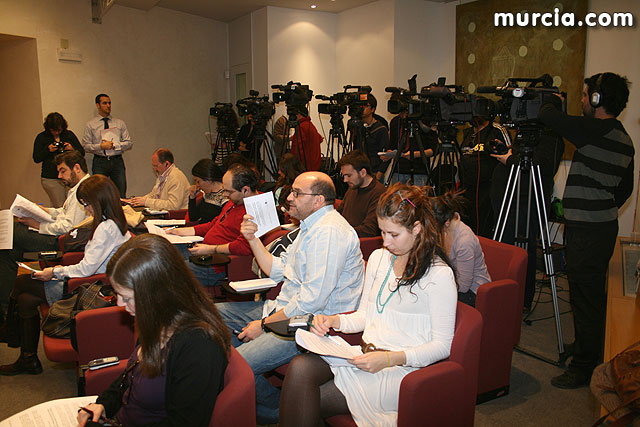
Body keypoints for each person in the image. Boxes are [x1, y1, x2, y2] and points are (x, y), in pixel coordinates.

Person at [279, 182, 457, 427]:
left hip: (399, 370)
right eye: (383, 232)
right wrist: (334, 321)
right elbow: (365, 315)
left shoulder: (439, 275)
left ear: (417, 228)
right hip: (364, 356)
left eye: (394, 234)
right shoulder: (379, 258)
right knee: (300, 368)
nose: (386, 242)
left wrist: (388, 359)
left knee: (305, 399)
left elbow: (442, 346)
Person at [218, 171, 364, 424]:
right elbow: (276, 269)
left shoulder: (329, 232)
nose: (290, 198)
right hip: (285, 310)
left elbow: (311, 302)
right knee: (212, 317)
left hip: (309, 324)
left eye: (297, 193)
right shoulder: (309, 228)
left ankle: (280, 409)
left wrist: (264, 326)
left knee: (235, 365)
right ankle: (255, 384)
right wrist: (252, 240)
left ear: (318, 200)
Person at [539, 72, 634, 389]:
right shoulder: (622, 138)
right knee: (587, 295)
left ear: (596, 99)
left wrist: (551, 98)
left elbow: (549, 117)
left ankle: (584, 366)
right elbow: (625, 190)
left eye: (584, 95)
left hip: (589, 232)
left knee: (586, 298)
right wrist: (598, 204)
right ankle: (587, 350)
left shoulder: (596, 130)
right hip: (598, 227)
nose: (581, 100)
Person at [77, 234, 231, 426]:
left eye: (126, 298)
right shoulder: (158, 318)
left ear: (158, 293)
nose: (120, 304)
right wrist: (104, 405)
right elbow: (130, 376)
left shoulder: (200, 346)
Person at [0, 175, 130, 375]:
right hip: (88, 282)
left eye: (86, 203)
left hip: (87, 288)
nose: (86, 208)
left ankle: (11, 332)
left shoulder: (106, 228)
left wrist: (54, 272)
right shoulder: (111, 221)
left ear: (98, 201)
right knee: (25, 298)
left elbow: (86, 270)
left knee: (21, 283)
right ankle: (27, 357)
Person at [0, 150, 89, 315]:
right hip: (60, 235)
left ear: (76, 168)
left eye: (63, 171)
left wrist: (37, 225)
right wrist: (42, 210)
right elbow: (63, 213)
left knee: (13, 231)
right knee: (9, 250)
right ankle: (7, 308)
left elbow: (67, 227)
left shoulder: (83, 190)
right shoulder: (78, 187)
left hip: (61, 240)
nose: (59, 176)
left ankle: (6, 307)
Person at [168, 164, 257, 287]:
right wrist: (182, 231)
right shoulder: (235, 201)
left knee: (168, 271)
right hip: (206, 250)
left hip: (219, 263)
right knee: (164, 250)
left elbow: (243, 246)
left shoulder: (255, 210)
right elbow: (214, 223)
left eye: (228, 191)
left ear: (245, 190)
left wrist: (210, 249)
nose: (224, 195)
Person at [431, 190, 491, 307]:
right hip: (453, 282)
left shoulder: (464, 241)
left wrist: (439, 286)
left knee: (434, 300)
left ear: (447, 222)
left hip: (473, 293)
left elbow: (463, 286)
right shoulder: (445, 229)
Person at [459, 113, 511, 237]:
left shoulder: (497, 130)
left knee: (484, 226)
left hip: (489, 187)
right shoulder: (468, 133)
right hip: (467, 187)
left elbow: (509, 154)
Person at [82, 93, 132, 197]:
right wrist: (100, 146)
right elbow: (85, 146)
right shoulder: (91, 124)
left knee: (120, 192)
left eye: (109, 103)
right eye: (105, 103)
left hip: (117, 160)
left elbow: (129, 143)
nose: (108, 106)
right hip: (100, 161)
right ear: (98, 105)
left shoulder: (119, 123)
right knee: (98, 192)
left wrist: (115, 145)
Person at [32, 112, 85, 207]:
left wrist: (71, 149)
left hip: (70, 176)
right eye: (54, 130)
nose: (57, 132)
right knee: (61, 205)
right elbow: (36, 158)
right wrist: (48, 150)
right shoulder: (42, 137)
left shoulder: (68, 135)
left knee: (74, 204)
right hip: (51, 178)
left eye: (59, 130)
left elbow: (81, 152)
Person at [380, 109, 437, 187]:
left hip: (419, 171)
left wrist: (415, 154)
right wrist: (388, 154)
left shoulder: (423, 122)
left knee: (418, 199)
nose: (402, 115)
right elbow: (392, 146)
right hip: (398, 171)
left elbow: (434, 150)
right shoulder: (396, 122)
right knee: (397, 199)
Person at [336, 150, 386, 237]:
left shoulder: (379, 193)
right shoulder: (353, 187)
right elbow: (339, 213)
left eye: (349, 176)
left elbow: (369, 229)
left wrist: (340, 233)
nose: (345, 180)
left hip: (360, 243)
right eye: (344, 176)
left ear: (363, 172)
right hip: (346, 238)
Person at [123, 148, 190, 211]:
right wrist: (137, 200)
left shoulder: (176, 177)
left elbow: (173, 206)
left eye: (156, 166)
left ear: (167, 164)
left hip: (176, 216)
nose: (154, 169)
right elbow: (154, 194)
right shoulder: (163, 175)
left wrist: (146, 202)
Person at [359, 94, 389, 179]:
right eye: (361, 106)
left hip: (375, 172)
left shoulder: (381, 128)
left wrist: (379, 175)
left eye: (365, 106)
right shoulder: (357, 127)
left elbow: (386, 155)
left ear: (373, 109)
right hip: (359, 171)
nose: (362, 108)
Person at [187, 159, 226, 224]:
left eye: (198, 181)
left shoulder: (225, 197)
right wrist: (192, 198)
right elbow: (193, 218)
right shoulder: (207, 195)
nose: (197, 185)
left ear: (208, 179)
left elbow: (218, 224)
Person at [290, 106, 323, 172]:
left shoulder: (301, 126)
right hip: (314, 164)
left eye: (297, 114)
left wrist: (295, 165)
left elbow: (297, 148)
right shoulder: (310, 125)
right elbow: (320, 138)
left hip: (306, 166)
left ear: (299, 114)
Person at [273, 153, 305, 219]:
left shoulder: (299, 185)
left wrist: (278, 209)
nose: (279, 172)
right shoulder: (282, 180)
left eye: (281, 170)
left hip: (286, 217)